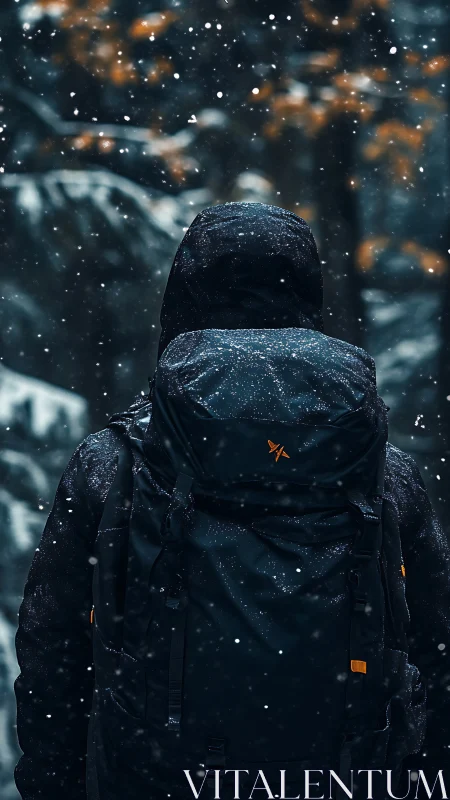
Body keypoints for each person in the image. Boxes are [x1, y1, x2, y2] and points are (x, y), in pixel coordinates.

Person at [14, 202, 450, 800]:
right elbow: (436, 647)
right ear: (306, 296)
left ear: (183, 297)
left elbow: (53, 649)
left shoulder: (116, 461)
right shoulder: (382, 471)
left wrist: (53, 783)